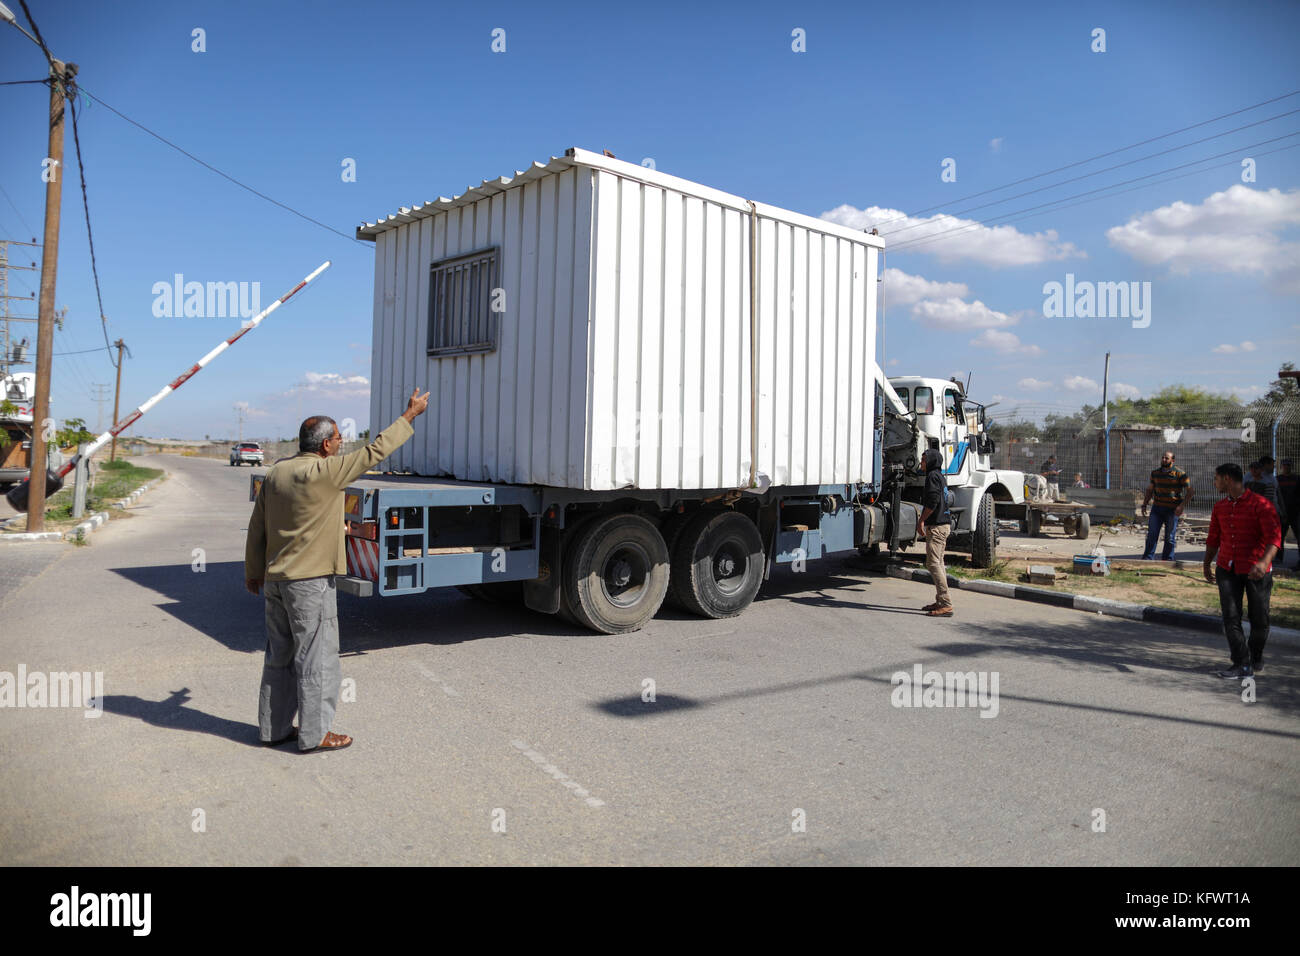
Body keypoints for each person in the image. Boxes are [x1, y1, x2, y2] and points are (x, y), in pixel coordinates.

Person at [246, 388, 430, 752]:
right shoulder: (325, 473)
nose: (342, 444)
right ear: (325, 446)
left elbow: (258, 528)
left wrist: (253, 572)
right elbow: (375, 451)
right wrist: (409, 416)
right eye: (338, 439)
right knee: (317, 659)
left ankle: (273, 729)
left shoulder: (277, 472)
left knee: (279, 658)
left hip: (276, 582)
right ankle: (315, 735)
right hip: (309, 584)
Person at [1203, 462, 1280, 679]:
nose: (1214, 482)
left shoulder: (1260, 505)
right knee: (1231, 617)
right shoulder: (1219, 507)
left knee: (1260, 619)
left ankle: (1255, 656)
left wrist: (1264, 563)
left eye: (1216, 478)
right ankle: (1241, 662)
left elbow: (1274, 538)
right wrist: (1207, 562)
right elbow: (1213, 538)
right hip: (1227, 567)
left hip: (1256, 569)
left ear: (1227, 479)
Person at [918, 448, 953, 617]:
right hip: (943, 525)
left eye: (924, 460)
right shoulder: (939, 476)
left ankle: (945, 603)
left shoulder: (932, 477)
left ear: (931, 461)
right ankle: (941, 600)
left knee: (933, 564)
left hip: (937, 527)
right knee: (938, 563)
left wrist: (921, 520)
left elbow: (932, 501)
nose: (921, 463)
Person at [1140, 450, 1191, 560]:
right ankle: (1147, 560)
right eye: (1162, 457)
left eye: (1166, 458)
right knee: (1152, 536)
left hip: (1172, 510)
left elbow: (1190, 491)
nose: (1163, 460)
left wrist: (1181, 506)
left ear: (1172, 460)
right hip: (1157, 509)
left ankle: (1167, 561)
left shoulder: (1180, 474)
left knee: (1169, 538)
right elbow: (1150, 490)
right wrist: (1144, 504)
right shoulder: (1155, 473)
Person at [1278, 458, 1300, 567]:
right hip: (1282, 514)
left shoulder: (1297, 479)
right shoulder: (1277, 479)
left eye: (1288, 465)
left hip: (1295, 513)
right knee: (1279, 537)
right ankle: (1278, 560)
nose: (1286, 467)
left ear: (1291, 466)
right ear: (1281, 466)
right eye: (1284, 465)